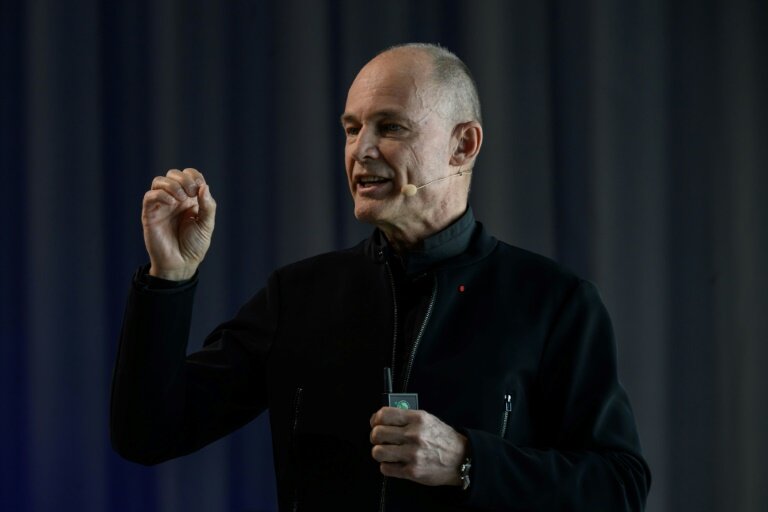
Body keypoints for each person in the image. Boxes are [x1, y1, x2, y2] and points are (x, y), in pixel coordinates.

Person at [111, 43, 651, 511]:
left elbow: (619, 487)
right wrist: (170, 277)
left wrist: (468, 461)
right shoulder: (297, 296)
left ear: (463, 145)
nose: (360, 150)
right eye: (352, 129)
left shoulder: (552, 302)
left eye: (390, 127)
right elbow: (148, 433)